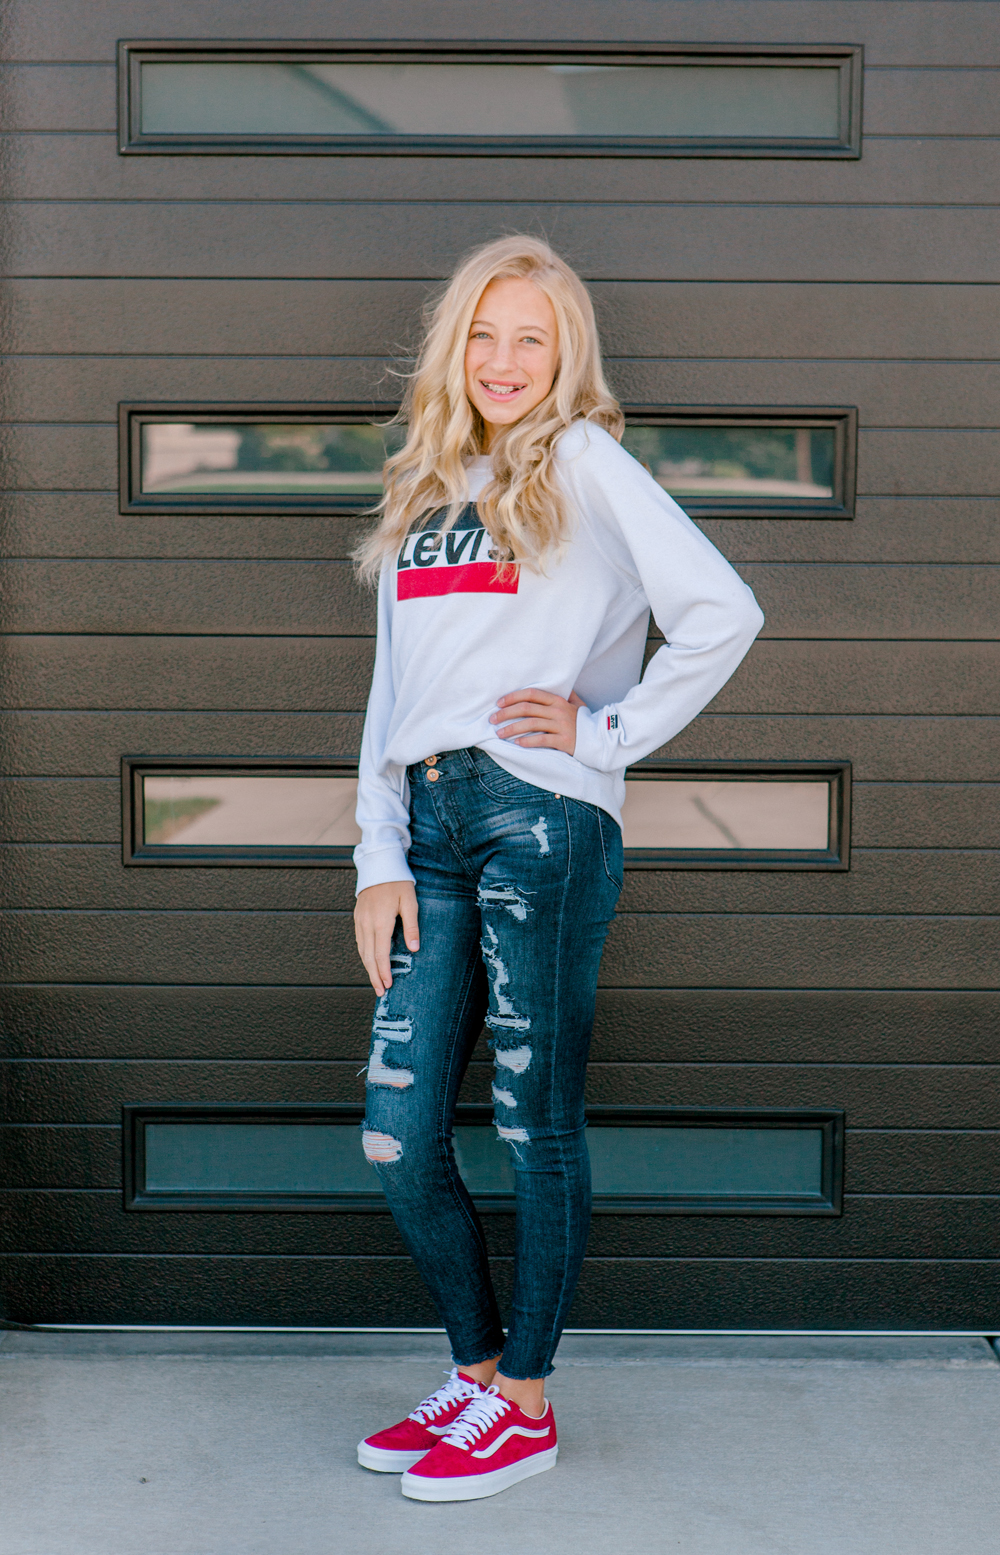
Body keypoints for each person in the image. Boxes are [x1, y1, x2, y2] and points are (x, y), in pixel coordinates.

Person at [351, 235, 764, 1502]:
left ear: (564, 353)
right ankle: (476, 1373)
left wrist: (606, 734)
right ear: (454, 349)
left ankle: (524, 1402)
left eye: (529, 336)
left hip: (537, 818)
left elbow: (723, 611)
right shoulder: (432, 483)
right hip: (430, 825)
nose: (503, 359)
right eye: (483, 333)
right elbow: (391, 688)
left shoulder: (583, 462)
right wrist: (375, 855)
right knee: (397, 1135)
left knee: (533, 1122)